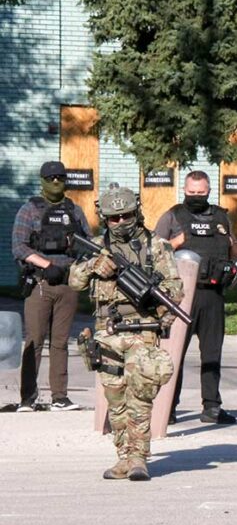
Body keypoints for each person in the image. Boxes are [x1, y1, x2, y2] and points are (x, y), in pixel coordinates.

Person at [69, 185, 182, 480]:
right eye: (113, 218)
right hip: (107, 332)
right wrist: (94, 265)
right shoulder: (96, 246)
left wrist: (156, 303)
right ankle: (122, 456)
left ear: (137, 212)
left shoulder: (156, 246)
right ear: (104, 218)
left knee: (140, 397)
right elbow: (74, 281)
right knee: (115, 399)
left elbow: (175, 288)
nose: (120, 222)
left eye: (126, 215)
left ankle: (138, 457)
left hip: (142, 330)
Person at [154, 170, 237, 425]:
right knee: (174, 354)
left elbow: (234, 252)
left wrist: (232, 244)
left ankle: (212, 406)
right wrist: (177, 242)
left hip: (213, 293)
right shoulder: (172, 216)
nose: (195, 197)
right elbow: (153, 251)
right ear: (184, 191)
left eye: (200, 193)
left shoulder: (221, 217)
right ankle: (167, 407)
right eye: (191, 193)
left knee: (212, 353)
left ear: (209, 191)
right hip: (181, 296)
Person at [11, 161, 91, 412]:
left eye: (60, 177)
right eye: (51, 178)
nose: (56, 182)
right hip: (40, 284)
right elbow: (19, 247)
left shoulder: (74, 211)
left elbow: (88, 244)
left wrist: (81, 254)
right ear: (43, 180)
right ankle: (27, 398)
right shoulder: (30, 210)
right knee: (34, 340)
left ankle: (60, 396)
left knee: (60, 342)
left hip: (67, 283)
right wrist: (45, 265)